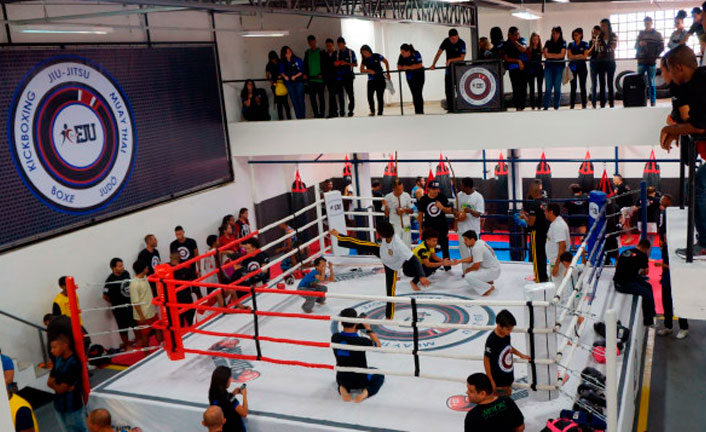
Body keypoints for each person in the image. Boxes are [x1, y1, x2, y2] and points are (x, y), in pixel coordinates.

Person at [659, 45, 706, 258]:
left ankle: (704, 243)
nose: (666, 76)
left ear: (678, 67)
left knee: (696, 187)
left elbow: (698, 125)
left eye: (669, 70)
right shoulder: (698, 80)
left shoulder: (697, 86)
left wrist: (671, 129)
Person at [330, 221, 429, 318]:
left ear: (381, 234)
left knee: (390, 292)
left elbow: (414, 259)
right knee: (362, 243)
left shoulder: (399, 245)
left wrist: (422, 276)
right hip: (382, 252)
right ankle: (340, 236)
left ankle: (389, 317)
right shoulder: (387, 236)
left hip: (391, 265)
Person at [331, 308, 384, 403]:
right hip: (360, 380)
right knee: (378, 374)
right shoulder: (361, 341)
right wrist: (368, 328)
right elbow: (377, 344)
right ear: (355, 322)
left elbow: (347, 337)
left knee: (339, 373)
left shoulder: (335, 337)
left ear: (342, 323)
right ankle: (365, 393)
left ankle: (343, 389)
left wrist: (355, 326)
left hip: (344, 378)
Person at [655, 194, 689, 339]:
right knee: (666, 297)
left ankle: (683, 327)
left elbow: (676, 266)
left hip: (676, 271)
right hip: (667, 271)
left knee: (678, 296)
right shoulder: (665, 246)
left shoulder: (677, 244)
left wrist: (661, 264)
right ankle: (668, 325)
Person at [483, 310, 530, 397]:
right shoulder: (492, 340)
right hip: (498, 382)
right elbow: (486, 359)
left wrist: (520, 355)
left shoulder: (506, 334)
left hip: (508, 378)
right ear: (499, 326)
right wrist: (490, 379)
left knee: (507, 400)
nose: (510, 331)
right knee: (500, 404)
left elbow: (508, 347)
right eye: (508, 329)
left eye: (511, 329)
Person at [48, 333, 86, 432]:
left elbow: (61, 389)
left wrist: (55, 384)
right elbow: (49, 382)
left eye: (54, 347)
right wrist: (57, 385)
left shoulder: (74, 363)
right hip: (59, 405)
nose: (52, 351)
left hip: (72, 407)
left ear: (65, 345)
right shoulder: (58, 359)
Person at [613, 239, 656, 326]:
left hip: (618, 281)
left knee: (648, 286)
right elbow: (645, 272)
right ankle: (649, 321)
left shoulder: (625, 251)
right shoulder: (643, 256)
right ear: (645, 248)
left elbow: (616, 265)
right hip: (625, 284)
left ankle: (652, 312)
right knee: (647, 293)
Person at [417, 180, 453, 270]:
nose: (435, 191)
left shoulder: (442, 197)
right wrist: (420, 228)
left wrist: (442, 207)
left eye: (437, 189)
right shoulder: (423, 199)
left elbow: (449, 210)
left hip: (442, 227)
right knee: (428, 248)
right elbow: (420, 214)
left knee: (445, 247)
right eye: (433, 189)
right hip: (429, 228)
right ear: (428, 189)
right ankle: (429, 266)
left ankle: (447, 266)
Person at [430, 28, 467, 112]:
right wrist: (433, 64)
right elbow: (439, 53)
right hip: (449, 70)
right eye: (452, 39)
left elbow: (462, 58)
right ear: (449, 38)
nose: (454, 40)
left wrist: (450, 60)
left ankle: (462, 107)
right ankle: (451, 108)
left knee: (460, 89)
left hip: (459, 70)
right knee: (448, 90)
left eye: (456, 38)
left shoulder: (462, 43)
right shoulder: (446, 41)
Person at [102, 258, 135, 351]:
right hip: (119, 308)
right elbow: (105, 296)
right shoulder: (110, 280)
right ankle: (127, 345)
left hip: (130, 304)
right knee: (123, 328)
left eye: (122, 265)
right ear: (113, 268)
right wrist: (116, 302)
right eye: (120, 266)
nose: (122, 267)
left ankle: (139, 341)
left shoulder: (126, 273)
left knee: (135, 324)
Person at [520, 180, 549, 283]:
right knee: (542, 254)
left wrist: (524, 217)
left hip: (536, 232)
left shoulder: (534, 204)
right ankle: (544, 275)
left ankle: (539, 278)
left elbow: (531, 223)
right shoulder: (544, 201)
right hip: (544, 231)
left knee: (536, 255)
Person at [455, 230, 501, 296]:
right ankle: (488, 280)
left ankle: (487, 288)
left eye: (466, 240)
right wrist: (459, 261)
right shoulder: (479, 242)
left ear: (472, 239)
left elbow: (476, 267)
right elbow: (473, 258)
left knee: (468, 276)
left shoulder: (476, 248)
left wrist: (467, 270)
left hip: (493, 271)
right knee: (470, 266)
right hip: (495, 267)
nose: (464, 242)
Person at [456, 177, 485, 271]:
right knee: (463, 252)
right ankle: (466, 271)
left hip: (473, 229)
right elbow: (456, 211)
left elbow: (479, 214)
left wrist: (470, 211)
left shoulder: (478, 197)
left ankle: (476, 270)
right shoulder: (459, 195)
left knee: (475, 252)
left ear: (466, 186)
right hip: (462, 228)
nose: (461, 186)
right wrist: (457, 218)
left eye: (462, 184)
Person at [129, 260, 159, 348]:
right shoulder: (134, 284)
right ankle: (146, 354)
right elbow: (135, 302)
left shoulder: (144, 277)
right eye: (146, 267)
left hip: (152, 310)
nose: (148, 268)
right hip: (144, 314)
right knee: (145, 335)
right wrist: (141, 316)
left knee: (158, 329)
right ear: (143, 270)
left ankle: (162, 346)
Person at [636, 17, 665, 107]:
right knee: (640, 82)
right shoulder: (641, 34)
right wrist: (640, 44)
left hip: (651, 61)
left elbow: (662, 47)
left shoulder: (657, 35)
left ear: (651, 23)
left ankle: (653, 101)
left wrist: (655, 56)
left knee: (651, 82)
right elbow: (635, 46)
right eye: (645, 24)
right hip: (641, 61)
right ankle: (640, 100)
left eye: (648, 23)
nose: (646, 25)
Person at [208, 366, 248, 432]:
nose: (231, 380)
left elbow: (223, 404)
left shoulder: (212, 395)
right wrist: (244, 395)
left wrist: (233, 394)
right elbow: (244, 413)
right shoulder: (229, 398)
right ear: (225, 380)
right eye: (230, 377)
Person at [359, 45, 390, 116]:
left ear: (368, 50)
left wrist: (388, 73)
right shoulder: (364, 60)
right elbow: (361, 69)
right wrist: (368, 70)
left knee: (380, 97)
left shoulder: (377, 56)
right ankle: (372, 111)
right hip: (371, 80)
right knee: (370, 96)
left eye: (365, 52)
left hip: (380, 79)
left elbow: (386, 62)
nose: (364, 54)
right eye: (362, 53)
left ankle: (380, 112)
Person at [545, 203, 571, 283]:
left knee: (558, 287)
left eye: (546, 211)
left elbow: (562, 246)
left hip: (558, 263)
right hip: (556, 261)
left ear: (551, 212)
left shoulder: (558, 225)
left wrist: (556, 265)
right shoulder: (556, 224)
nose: (544, 213)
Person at [383, 179, 414, 246]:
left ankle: (407, 256)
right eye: (399, 189)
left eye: (402, 188)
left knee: (407, 242)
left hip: (406, 224)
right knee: (396, 243)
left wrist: (404, 210)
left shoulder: (406, 195)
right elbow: (386, 214)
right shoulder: (388, 197)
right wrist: (385, 207)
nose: (401, 191)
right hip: (394, 224)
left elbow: (412, 210)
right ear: (393, 189)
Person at [543, 26, 567, 110]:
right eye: (553, 33)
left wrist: (551, 55)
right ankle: (546, 106)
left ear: (560, 34)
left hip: (559, 67)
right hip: (549, 67)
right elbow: (545, 54)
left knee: (557, 88)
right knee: (548, 88)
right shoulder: (548, 42)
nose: (554, 35)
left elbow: (562, 55)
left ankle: (556, 106)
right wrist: (556, 56)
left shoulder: (563, 42)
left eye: (556, 33)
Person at [397, 43, 426, 114]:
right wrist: (412, 66)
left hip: (419, 76)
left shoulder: (416, 53)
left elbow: (419, 65)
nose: (402, 54)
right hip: (410, 77)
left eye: (403, 52)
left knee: (418, 93)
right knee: (414, 93)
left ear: (408, 51)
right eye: (401, 52)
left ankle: (420, 111)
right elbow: (399, 67)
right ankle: (417, 110)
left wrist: (408, 67)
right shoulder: (401, 56)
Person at [504, 27, 528, 111]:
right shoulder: (506, 44)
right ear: (510, 35)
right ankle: (517, 106)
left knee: (523, 87)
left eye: (518, 34)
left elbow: (523, 49)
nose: (517, 36)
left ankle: (523, 106)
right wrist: (518, 61)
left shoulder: (522, 40)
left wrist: (516, 42)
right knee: (516, 87)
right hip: (513, 68)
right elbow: (506, 58)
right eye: (515, 34)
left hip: (523, 68)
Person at [279, 46, 306, 119]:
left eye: (289, 51)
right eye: (287, 52)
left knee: (300, 99)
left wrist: (295, 76)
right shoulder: (282, 62)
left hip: (298, 82)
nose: (289, 53)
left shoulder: (297, 59)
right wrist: (285, 76)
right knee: (294, 100)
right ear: (284, 54)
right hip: (289, 83)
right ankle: (298, 117)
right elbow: (281, 72)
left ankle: (302, 117)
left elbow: (302, 71)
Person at [596, 18, 618, 108]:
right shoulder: (599, 37)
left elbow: (613, 47)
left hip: (610, 62)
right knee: (602, 83)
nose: (603, 27)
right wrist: (607, 48)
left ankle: (611, 103)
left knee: (610, 82)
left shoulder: (613, 36)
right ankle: (602, 103)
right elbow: (598, 49)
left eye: (604, 25)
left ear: (608, 26)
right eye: (601, 26)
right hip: (601, 62)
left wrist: (604, 48)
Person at [265, 50, 291, 120]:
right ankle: (281, 118)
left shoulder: (281, 62)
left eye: (274, 58)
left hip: (283, 84)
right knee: (279, 103)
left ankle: (289, 118)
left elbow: (285, 71)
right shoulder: (269, 65)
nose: (273, 60)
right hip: (275, 85)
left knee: (285, 102)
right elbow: (267, 75)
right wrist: (271, 82)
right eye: (272, 59)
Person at [568, 28, 590, 109]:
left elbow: (585, 56)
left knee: (582, 86)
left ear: (580, 35)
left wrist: (576, 57)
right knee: (573, 87)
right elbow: (569, 56)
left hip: (582, 67)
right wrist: (578, 56)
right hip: (572, 68)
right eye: (574, 35)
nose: (575, 37)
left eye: (576, 35)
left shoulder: (585, 44)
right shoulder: (570, 45)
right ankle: (572, 105)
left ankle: (584, 104)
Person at [335, 37, 357, 117]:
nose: (340, 46)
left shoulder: (351, 52)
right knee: (340, 95)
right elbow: (334, 64)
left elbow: (355, 64)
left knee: (350, 94)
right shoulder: (337, 53)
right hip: (340, 76)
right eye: (338, 45)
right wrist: (337, 63)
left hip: (349, 76)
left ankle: (351, 110)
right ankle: (342, 111)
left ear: (344, 43)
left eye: (341, 44)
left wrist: (346, 63)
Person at [304, 35, 326, 118]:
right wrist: (306, 74)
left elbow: (325, 65)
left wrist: (322, 74)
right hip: (311, 79)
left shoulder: (321, 52)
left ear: (315, 41)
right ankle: (316, 114)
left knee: (321, 98)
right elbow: (305, 65)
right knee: (312, 98)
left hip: (320, 79)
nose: (311, 43)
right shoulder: (307, 53)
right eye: (309, 42)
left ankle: (322, 114)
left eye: (312, 42)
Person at [322, 38, 341, 118]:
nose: (328, 47)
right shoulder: (325, 55)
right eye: (327, 46)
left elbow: (339, 63)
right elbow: (324, 66)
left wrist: (335, 64)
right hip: (328, 78)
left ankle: (334, 112)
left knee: (334, 95)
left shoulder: (337, 54)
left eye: (330, 46)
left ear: (333, 45)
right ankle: (334, 111)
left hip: (337, 78)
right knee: (331, 95)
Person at [527, 32, 544, 110]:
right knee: (532, 88)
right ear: (531, 40)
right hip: (531, 69)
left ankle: (539, 105)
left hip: (539, 69)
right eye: (533, 39)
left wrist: (543, 63)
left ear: (538, 40)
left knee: (539, 87)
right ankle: (533, 105)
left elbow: (544, 57)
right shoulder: (529, 49)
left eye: (536, 39)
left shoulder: (541, 49)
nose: (535, 41)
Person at [588, 25, 602, 108]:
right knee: (594, 84)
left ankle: (602, 102)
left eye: (596, 32)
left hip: (601, 64)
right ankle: (593, 103)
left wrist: (598, 43)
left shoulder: (603, 41)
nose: (594, 34)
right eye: (593, 32)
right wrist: (594, 44)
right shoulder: (590, 42)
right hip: (593, 64)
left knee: (602, 82)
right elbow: (588, 54)